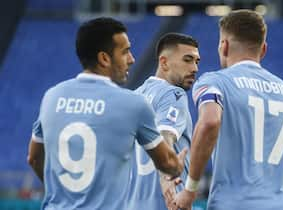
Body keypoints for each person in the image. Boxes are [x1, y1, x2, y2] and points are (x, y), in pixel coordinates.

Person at [27, 17, 186, 210]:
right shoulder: (132, 104)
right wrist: (178, 166)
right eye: (125, 52)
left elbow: (34, 158)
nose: (132, 59)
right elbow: (167, 163)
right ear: (104, 58)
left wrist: (60, 192)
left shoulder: (51, 97)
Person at [175, 9, 283, 210]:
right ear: (263, 49)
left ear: (224, 46)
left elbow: (210, 122)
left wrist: (189, 190)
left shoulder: (215, 83)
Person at [128, 33, 200, 210]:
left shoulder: (132, 97)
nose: (195, 68)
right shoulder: (173, 94)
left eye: (197, 61)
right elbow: (164, 135)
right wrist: (167, 175)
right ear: (164, 62)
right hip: (168, 203)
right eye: (187, 60)